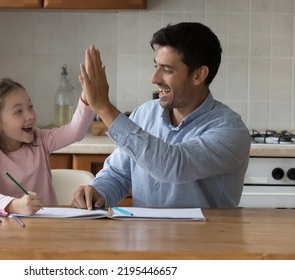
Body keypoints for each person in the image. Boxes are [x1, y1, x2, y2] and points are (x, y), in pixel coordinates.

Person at [73, 22, 251, 210]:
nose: (154, 78)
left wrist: (104, 108)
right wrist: (97, 193)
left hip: (204, 238)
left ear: (199, 75)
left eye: (166, 70)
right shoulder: (144, 114)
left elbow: (173, 165)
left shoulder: (230, 130)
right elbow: (118, 174)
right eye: (156, 66)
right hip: (145, 237)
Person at [0, 78, 93, 215]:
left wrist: (87, 97)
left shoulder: (40, 140)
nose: (30, 115)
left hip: (48, 229)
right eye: (19, 111)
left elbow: (75, 131)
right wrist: (15, 205)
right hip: (8, 232)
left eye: (30, 107)